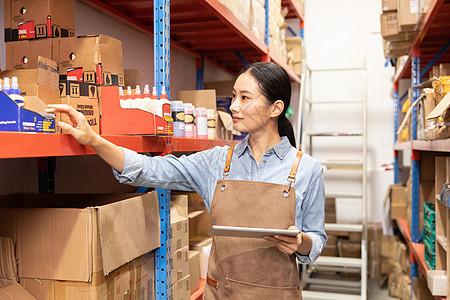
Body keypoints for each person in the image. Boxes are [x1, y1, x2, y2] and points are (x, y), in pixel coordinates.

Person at [46, 62, 326, 299]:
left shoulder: (307, 170)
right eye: (233, 97)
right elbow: (149, 169)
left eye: (244, 98)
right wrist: (93, 140)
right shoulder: (217, 162)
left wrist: (301, 242)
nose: (233, 106)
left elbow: (317, 239)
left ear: (275, 108)